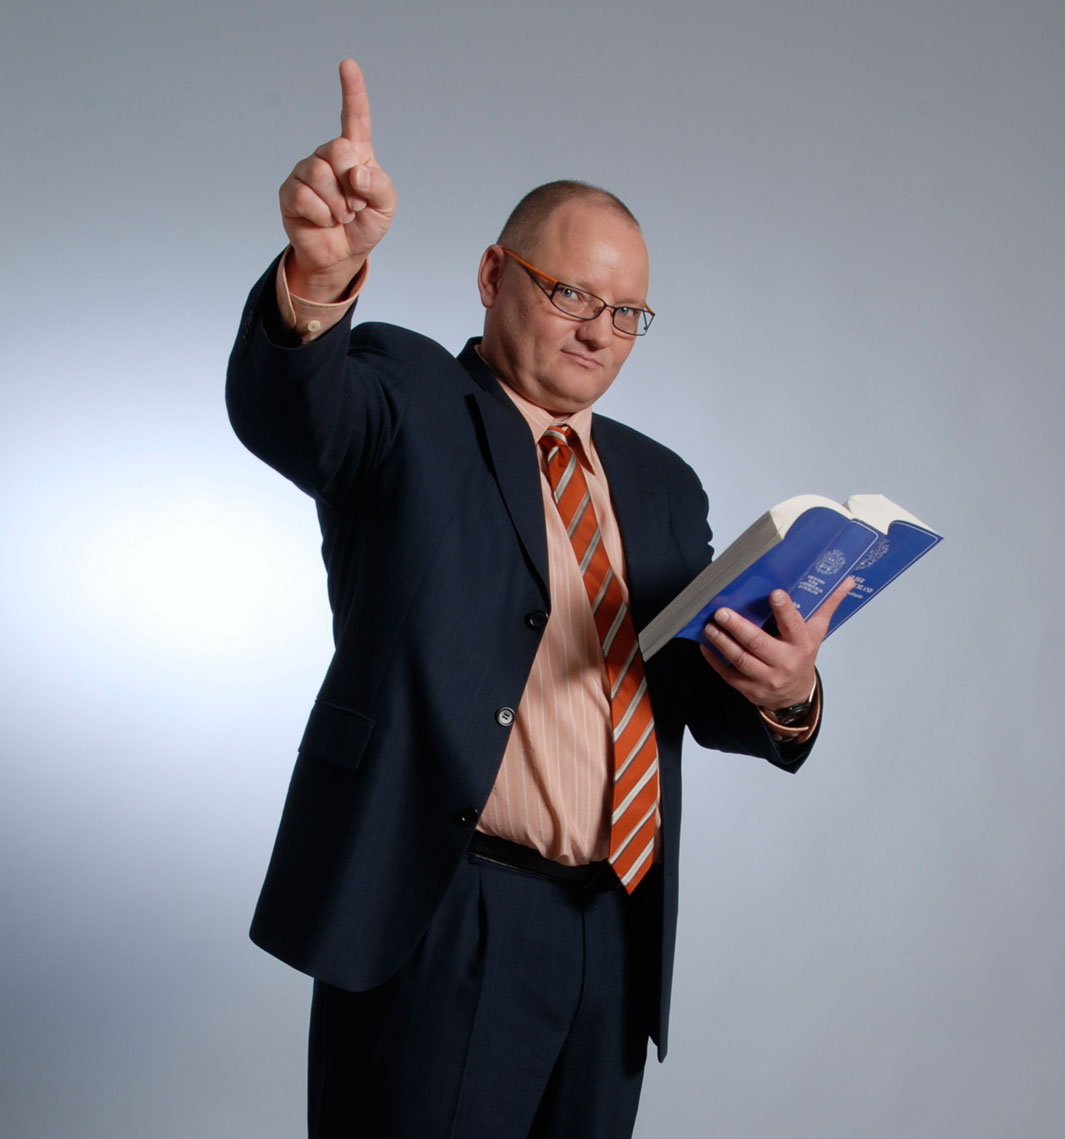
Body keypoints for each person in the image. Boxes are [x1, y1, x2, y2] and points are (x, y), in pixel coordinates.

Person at [227, 59, 852, 1139]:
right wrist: (317, 279)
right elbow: (298, 413)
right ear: (490, 275)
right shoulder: (410, 396)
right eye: (568, 293)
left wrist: (786, 690)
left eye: (624, 311)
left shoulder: (661, 486)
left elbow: (695, 696)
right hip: (440, 911)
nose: (595, 329)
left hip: (612, 930)